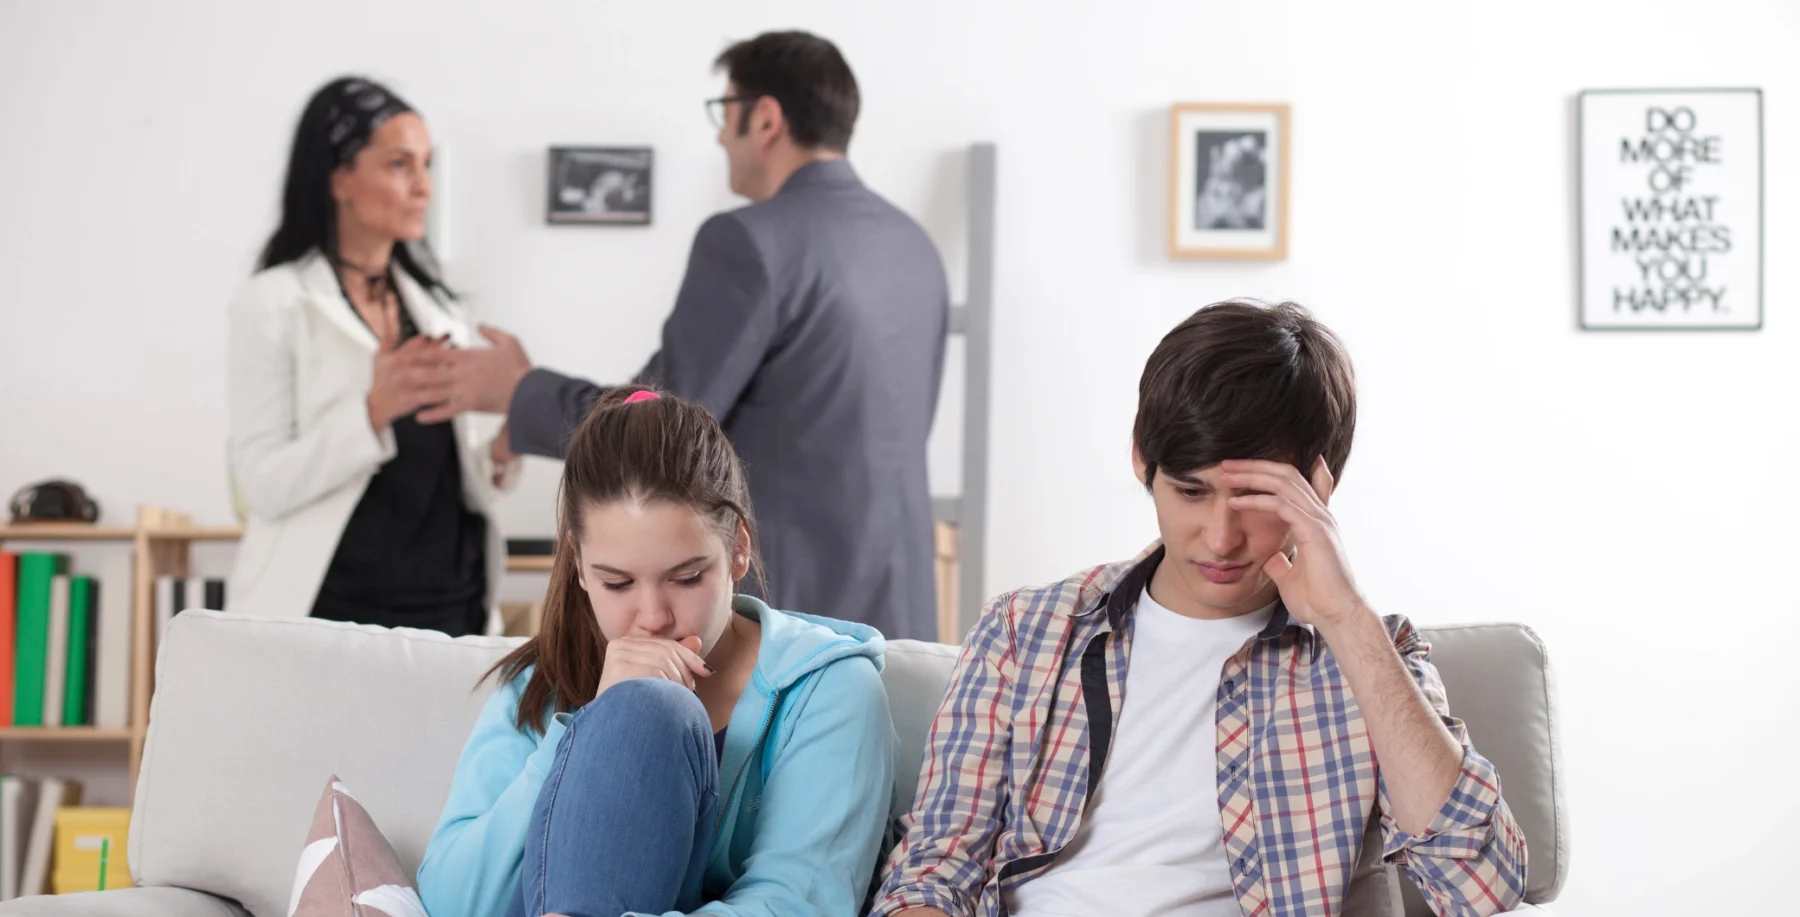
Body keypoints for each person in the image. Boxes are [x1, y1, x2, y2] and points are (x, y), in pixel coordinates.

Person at [871, 301, 1529, 917]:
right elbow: (934, 870)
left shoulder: (1369, 656)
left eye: (1256, 498)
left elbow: (1481, 886)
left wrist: (1348, 619)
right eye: (1191, 491)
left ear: (1319, 492)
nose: (1221, 537)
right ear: (1142, 462)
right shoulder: (1026, 629)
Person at [427, 31, 950, 642]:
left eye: (725, 113)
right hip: (904, 614)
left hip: (788, 623)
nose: (719, 136)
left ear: (766, 119)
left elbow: (658, 426)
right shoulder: (914, 245)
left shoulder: (748, 242)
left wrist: (521, 393)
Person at [418, 388, 898, 917]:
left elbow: (796, 904)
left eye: (687, 578)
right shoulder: (542, 680)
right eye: (617, 583)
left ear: (738, 548)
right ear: (578, 565)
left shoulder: (830, 691)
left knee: (650, 715)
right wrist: (585, 731)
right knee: (638, 715)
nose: (652, 617)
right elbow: (450, 901)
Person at [225, 77, 514, 635]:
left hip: (454, 606)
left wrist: (504, 444)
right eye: (400, 165)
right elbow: (262, 483)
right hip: (333, 608)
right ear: (339, 177)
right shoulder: (274, 302)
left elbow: (460, 473)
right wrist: (372, 411)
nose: (424, 187)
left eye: (426, 165)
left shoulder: (440, 310)